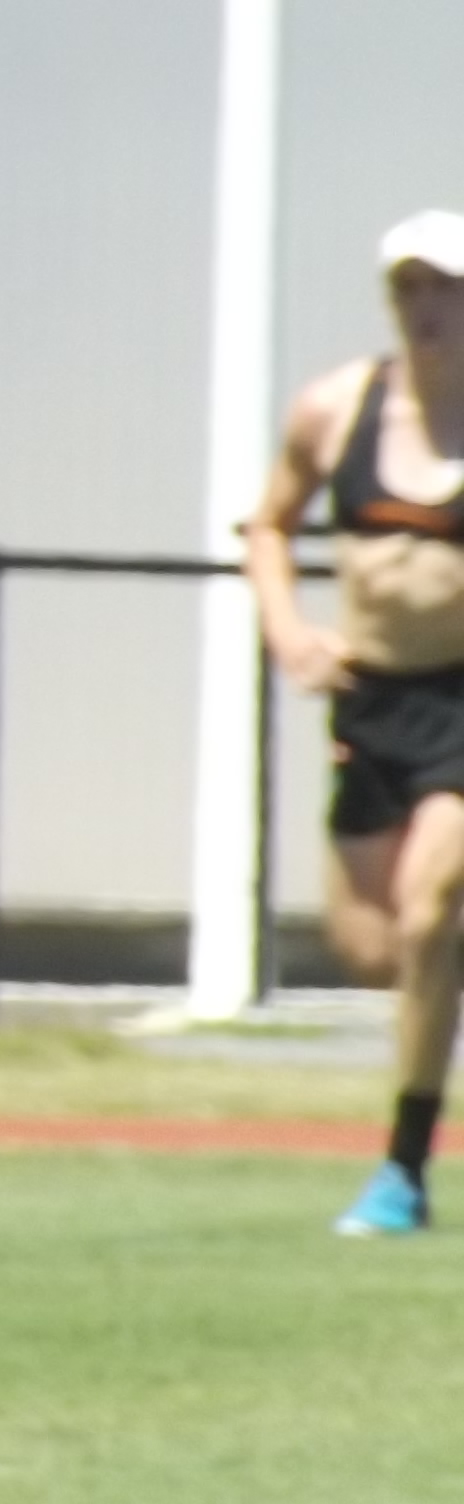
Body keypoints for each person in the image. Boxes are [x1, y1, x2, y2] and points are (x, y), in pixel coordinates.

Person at [248, 209, 464, 1237]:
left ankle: (402, 1172)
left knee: (434, 911)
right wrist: (291, 631)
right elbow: (271, 525)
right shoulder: (338, 409)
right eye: (410, 289)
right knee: (375, 950)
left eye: (448, 290)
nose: (428, 309)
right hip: (371, 704)